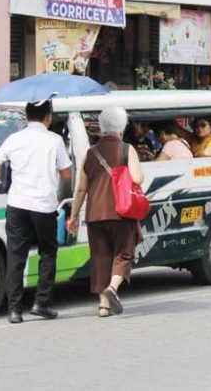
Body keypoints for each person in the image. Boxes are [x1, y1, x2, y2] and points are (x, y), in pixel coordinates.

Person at [0, 99, 72, 323]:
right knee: (47, 252)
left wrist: (10, 180)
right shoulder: (54, 140)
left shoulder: (14, 139)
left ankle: (14, 310)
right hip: (44, 206)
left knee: (16, 256)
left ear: (26, 117)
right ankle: (40, 303)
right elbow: (66, 175)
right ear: (48, 117)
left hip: (17, 205)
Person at [68, 107, 144, 317]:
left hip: (94, 214)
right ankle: (113, 288)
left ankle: (103, 306)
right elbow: (137, 178)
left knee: (100, 258)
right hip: (121, 212)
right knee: (124, 253)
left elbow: (81, 188)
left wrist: (73, 216)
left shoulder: (90, 154)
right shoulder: (127, 149)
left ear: (101, 127)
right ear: (122, 127)